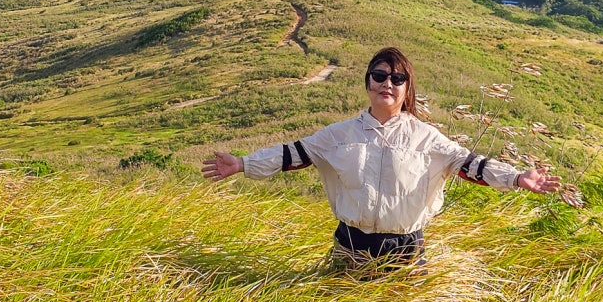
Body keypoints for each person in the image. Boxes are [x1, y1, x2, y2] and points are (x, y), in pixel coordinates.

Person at [201, 46, 565, 272]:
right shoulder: (339, 134)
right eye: (379, 76)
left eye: (397, 78)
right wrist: (244, 164)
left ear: (407, 88)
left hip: (405, 251)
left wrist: (517, 178)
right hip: (351, 246)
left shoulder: (426, 138)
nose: (387, 84)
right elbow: (293, 155)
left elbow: (470, 164)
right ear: (368, 82)